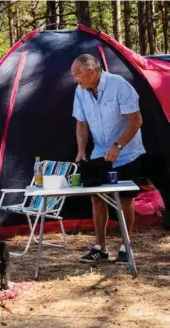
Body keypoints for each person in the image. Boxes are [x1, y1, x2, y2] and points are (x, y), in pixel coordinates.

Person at [71, 54, 145, 265]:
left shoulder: (119, 85)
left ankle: (125, 246)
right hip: (100, 152)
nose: (75, 80)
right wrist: (81, 150)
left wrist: (118, 146)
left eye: (77, 75)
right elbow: (81, 123)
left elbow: (136, 120)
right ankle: (100, 248)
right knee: (97, 197)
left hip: (127, 151)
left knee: (124, 198)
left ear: (91, 72)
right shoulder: (81, 91)